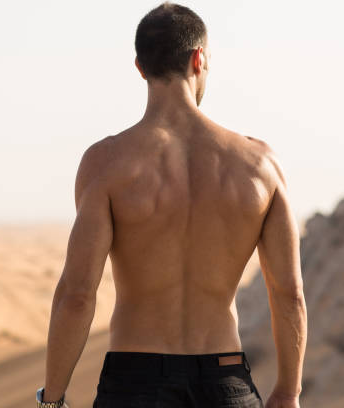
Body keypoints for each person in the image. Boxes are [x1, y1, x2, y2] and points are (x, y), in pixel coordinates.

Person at [36, 2, 307, 407]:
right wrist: (288, 391)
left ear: (140, 67)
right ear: (199, 59)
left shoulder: (107, 163)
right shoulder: (260, 165)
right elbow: (288, 294)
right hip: (224, 381)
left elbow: (77, 294)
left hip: (135, 382)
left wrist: (52, 400)